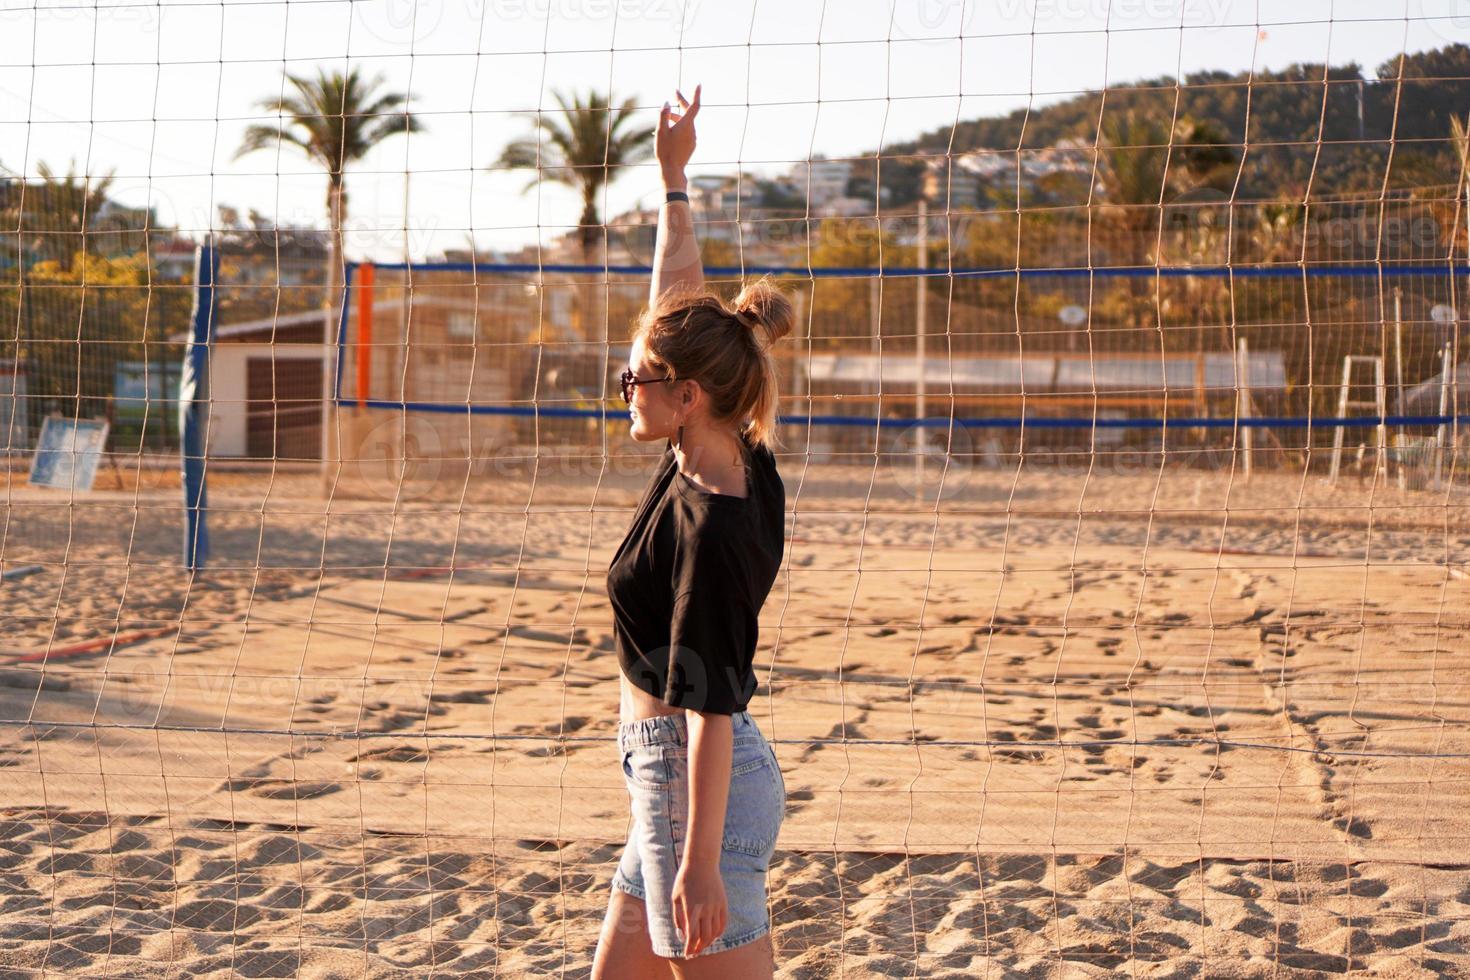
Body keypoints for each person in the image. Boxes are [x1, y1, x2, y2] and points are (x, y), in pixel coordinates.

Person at [591, 84, 793, 979]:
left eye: (634, 381)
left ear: (687, 395)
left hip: (692, 783)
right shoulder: (718, 448)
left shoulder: (713, 526)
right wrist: (674, 181)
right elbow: (677, 301)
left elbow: (713, 709)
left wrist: (699, 862)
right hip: (665, 780)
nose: (623, 390)